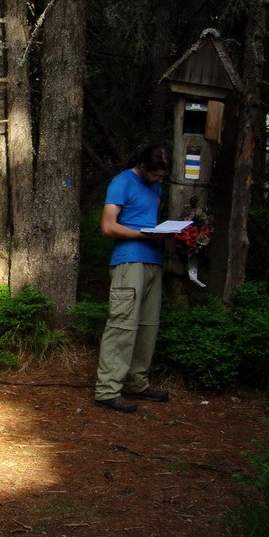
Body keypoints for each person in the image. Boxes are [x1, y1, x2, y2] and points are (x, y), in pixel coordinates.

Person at [94, 144, 174, 413]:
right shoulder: (122, 182)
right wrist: (145, 235)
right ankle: (107, 390)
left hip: (153, 261)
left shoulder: (155, 187)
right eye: (156, 175)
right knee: (122, 325)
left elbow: (149, 218)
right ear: (142, 165)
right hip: (129, 261)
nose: (159, 180)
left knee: (148, 325)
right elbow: (108, 227)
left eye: (163, 176)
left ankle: (137, 383)